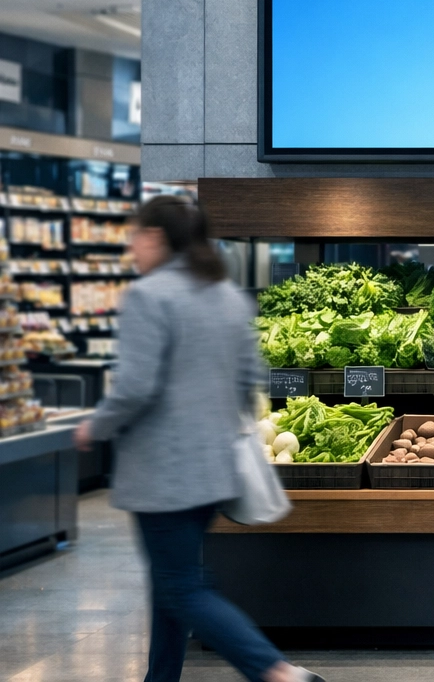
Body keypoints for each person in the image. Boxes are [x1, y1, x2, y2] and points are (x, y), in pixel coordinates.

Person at [73, 197, 324, 682]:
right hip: (214, 468)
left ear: (157, 238)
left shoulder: (149, 296)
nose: (131, 246)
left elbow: (135, 387)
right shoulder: (227, 295)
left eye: (136, 235)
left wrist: (94, 425)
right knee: (170, 585)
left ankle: (275, 671)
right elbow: (252, 374)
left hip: (165, 471)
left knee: (182, 587)